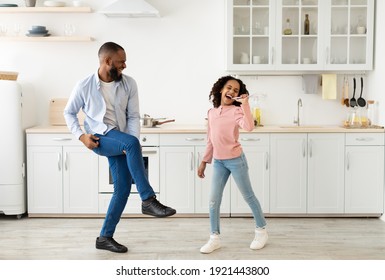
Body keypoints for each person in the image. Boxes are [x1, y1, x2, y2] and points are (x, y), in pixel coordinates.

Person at [63, 42, 176, 253]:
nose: (124, 66)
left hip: (121, 138)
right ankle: (148, 200)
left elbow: (133, 116)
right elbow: (68, 112)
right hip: (99, 137)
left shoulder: (128, 84)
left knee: (122, 188)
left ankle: (104, 237)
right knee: (131, 146)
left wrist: (129, 145)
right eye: (121, 62)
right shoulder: (84, 85)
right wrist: (81, 137)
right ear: (107, 61)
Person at [197, 75, 267, 254]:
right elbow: (210, 140)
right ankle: (214, 238)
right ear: (221, 89)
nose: (231, 91)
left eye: (236, 90)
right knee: (213, 200)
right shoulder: (211, 113)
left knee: (248, 196)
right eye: (229, 87)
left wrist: (245, 104)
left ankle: (261, 231)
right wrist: (204, 161)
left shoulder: (237, 111)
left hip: (236, 160)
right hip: (219, 162)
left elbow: (249, 127)